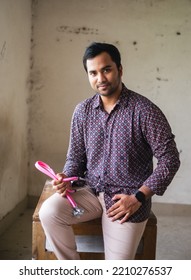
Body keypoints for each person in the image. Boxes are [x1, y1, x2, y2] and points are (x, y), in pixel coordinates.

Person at [39, 42, 180, 260]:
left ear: (119, 69)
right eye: (93, 73)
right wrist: (66, 177)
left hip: (127, 201)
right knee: (48, 213)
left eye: (106, 69)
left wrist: (139, 197)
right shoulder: (82, 111)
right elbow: (75, 157)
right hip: (89, 191)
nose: (101, 78)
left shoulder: (145, 111)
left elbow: (170, 159)